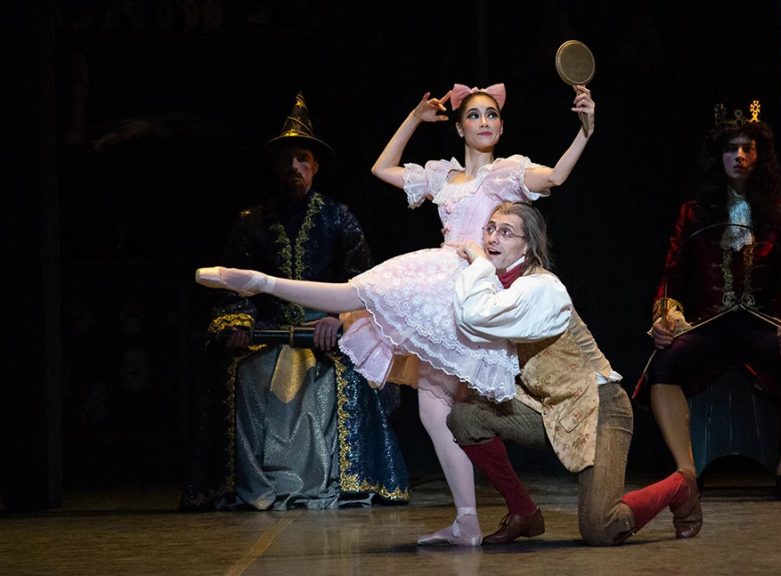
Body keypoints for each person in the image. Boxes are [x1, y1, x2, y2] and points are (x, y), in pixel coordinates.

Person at [195, 83, 596, 544]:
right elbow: (382, 168)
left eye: (491, 115)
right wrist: (413, 117)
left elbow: (557, 177)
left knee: (359, 294)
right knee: (432, 409)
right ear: (461, 128)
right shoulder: (444, 176)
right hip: (440, 278)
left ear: (501, 126)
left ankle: (259, 280)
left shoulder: (508, 173)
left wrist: (584, 130)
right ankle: (468, 520)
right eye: (474, 115)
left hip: (470, 283)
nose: (483, 122)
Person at [181, 91, 410, 511]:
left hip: (325, 330)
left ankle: (343, 480)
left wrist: (337, 318)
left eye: (302, 158)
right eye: (286, 159)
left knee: (348, 371)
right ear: (274, 167)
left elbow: (363, 282)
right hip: (267, 331)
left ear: (316, 166)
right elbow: (233, 285)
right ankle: (250, 485)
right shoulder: (250, 223)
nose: (294, 167)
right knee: (237, 375)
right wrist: (237, 322)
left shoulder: (339, 217)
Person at [445, 201, 702, 546]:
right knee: (466, 417)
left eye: (506, 232)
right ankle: (523, 512)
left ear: (529, 244)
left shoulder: (540, 288)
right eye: (490, 229)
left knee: (601, 527)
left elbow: (476, 317)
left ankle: (681, 486)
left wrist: (476, 262)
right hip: (549, 408)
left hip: (599, 406)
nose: (492, 238)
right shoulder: (498, 286)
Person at [631, 101, 781, 501]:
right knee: (663, 364)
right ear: (717, 156)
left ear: (760, 155)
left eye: (747, 148)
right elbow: (672, 274)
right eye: (730, 148)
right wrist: (667, 317)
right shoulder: (694, 214)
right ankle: (685, 473)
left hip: (762, 326)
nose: (738, 156)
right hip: (709, 325)